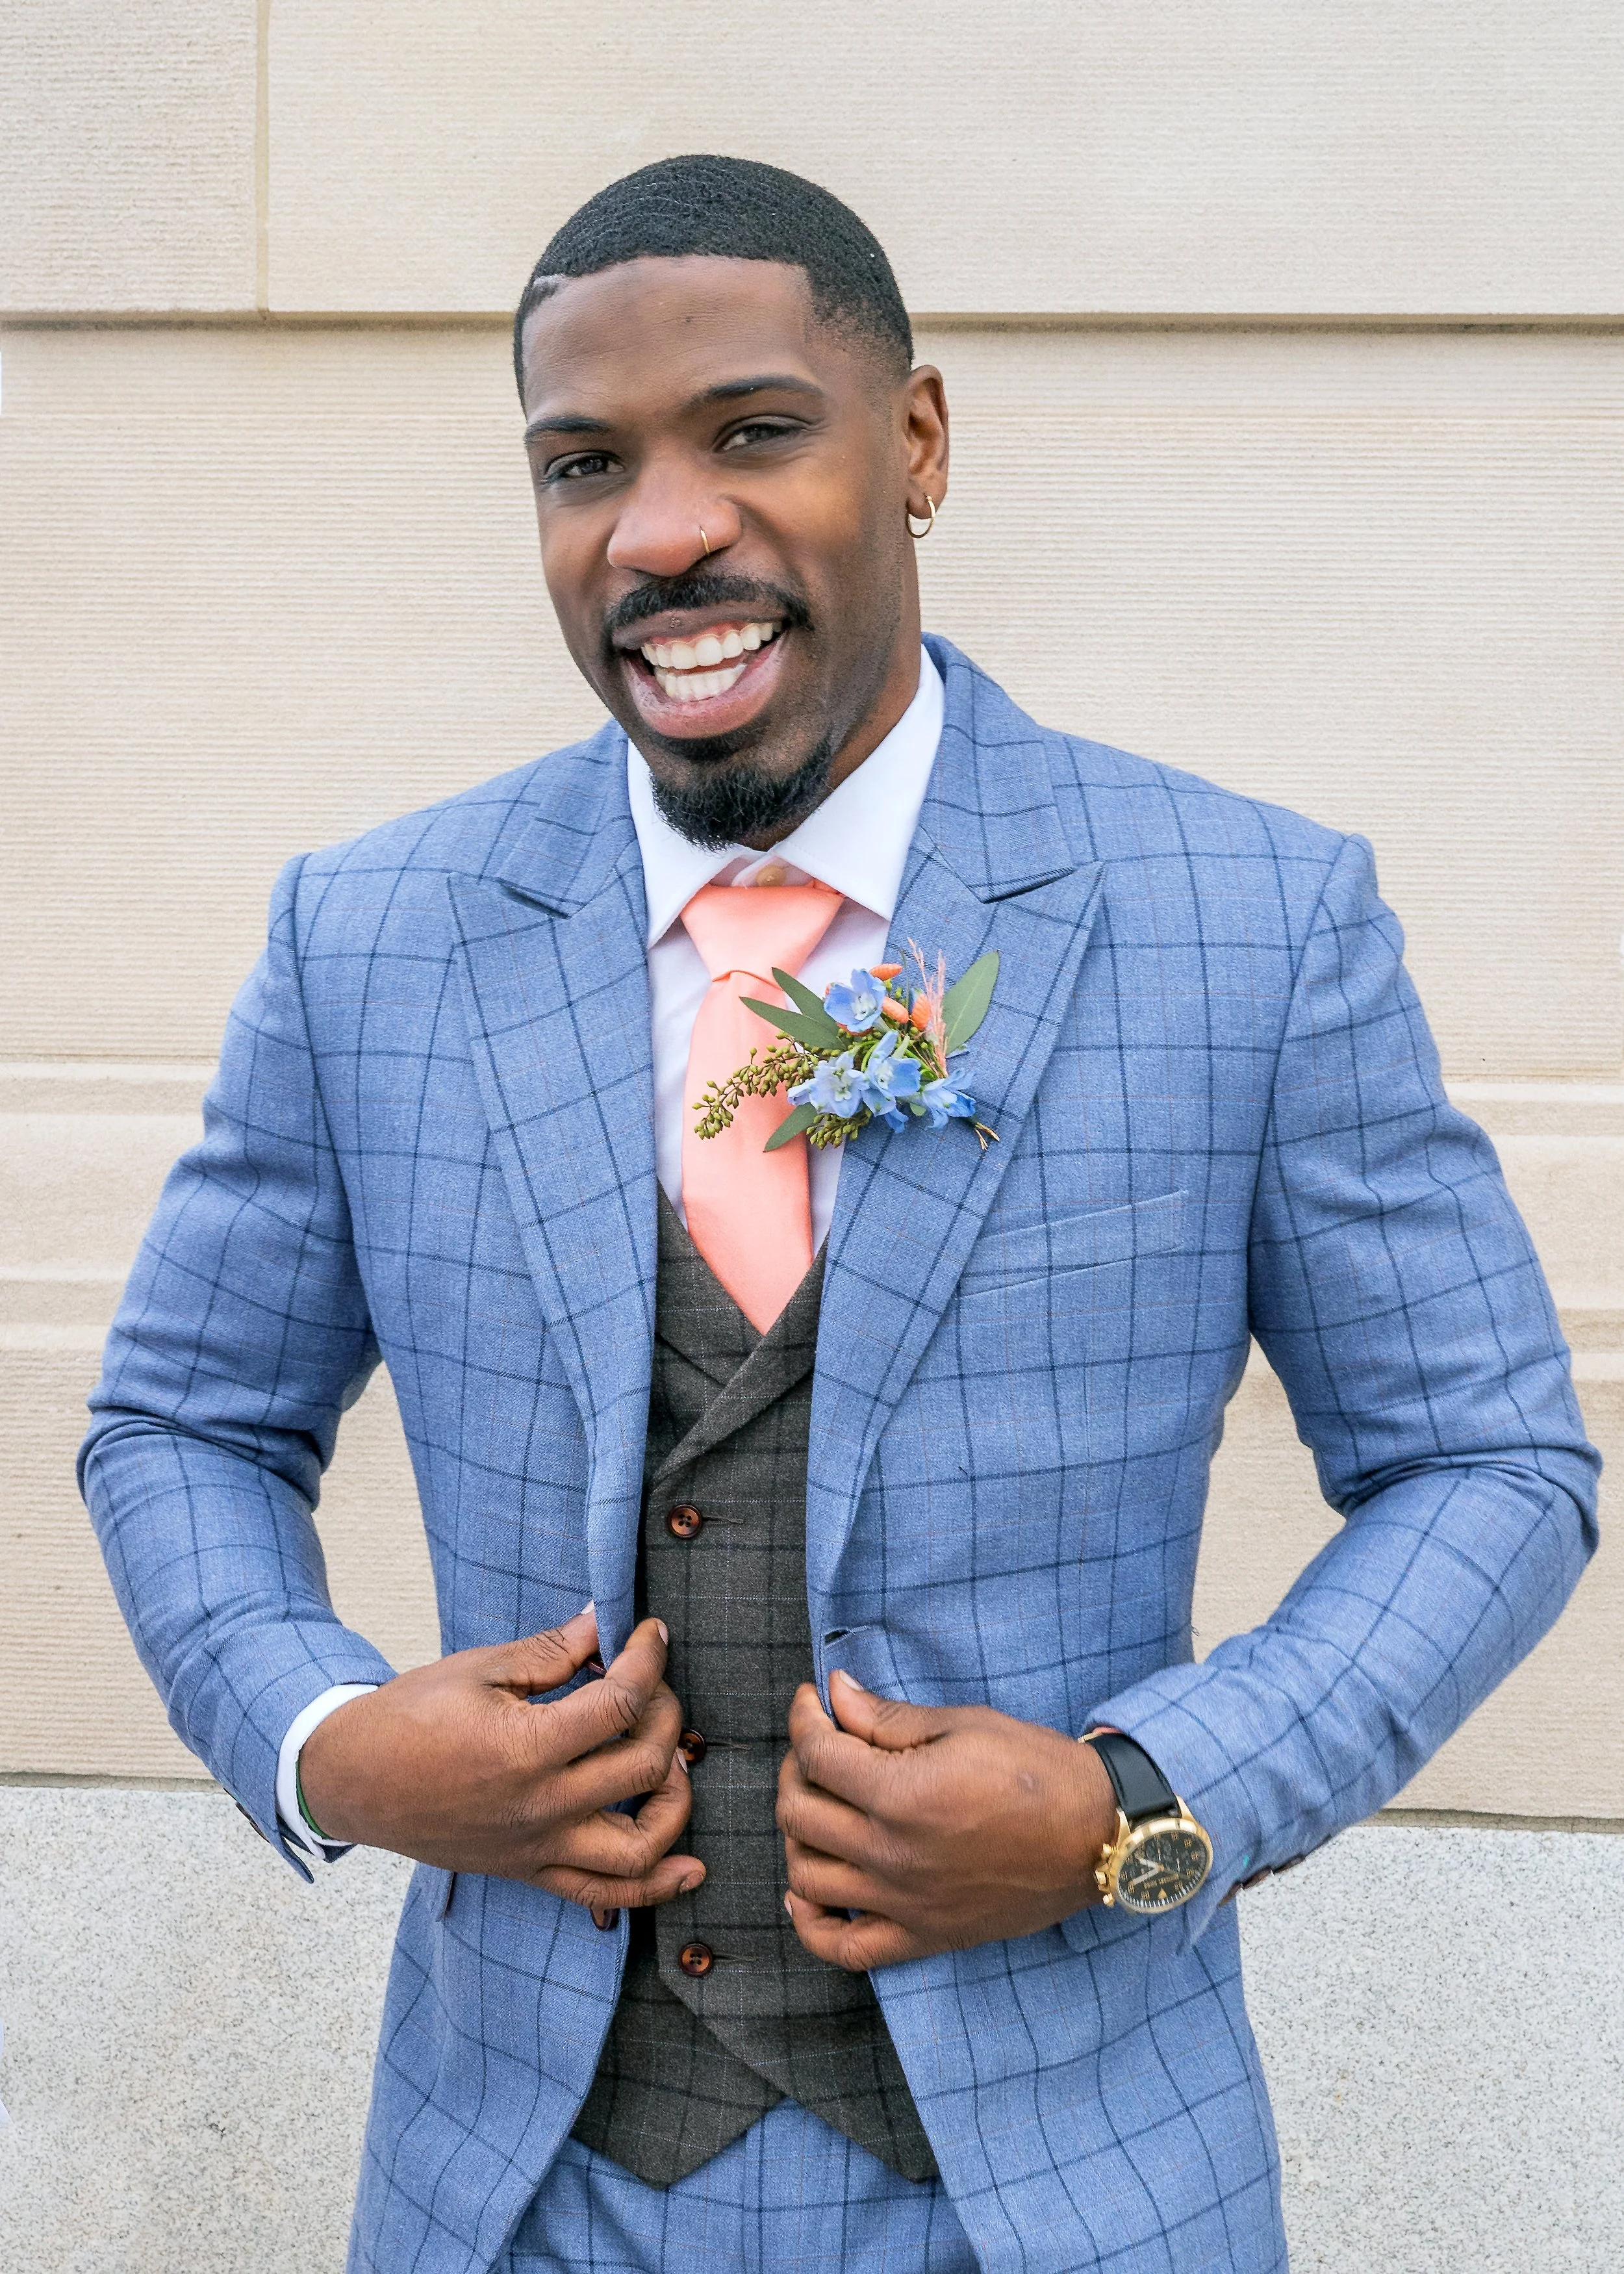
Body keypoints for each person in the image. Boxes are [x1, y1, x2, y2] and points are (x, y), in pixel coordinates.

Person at [81, 155, 1598, 2274]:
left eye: (752, 430)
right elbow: (178, 1424)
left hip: (1070, 2194)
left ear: (915, 443)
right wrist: (330, 1740)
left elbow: (1490, 1464)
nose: (660, 526)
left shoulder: (1249, 920)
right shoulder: (374, 936)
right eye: (580, 462)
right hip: (516, 2189)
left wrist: (1132, 1801)